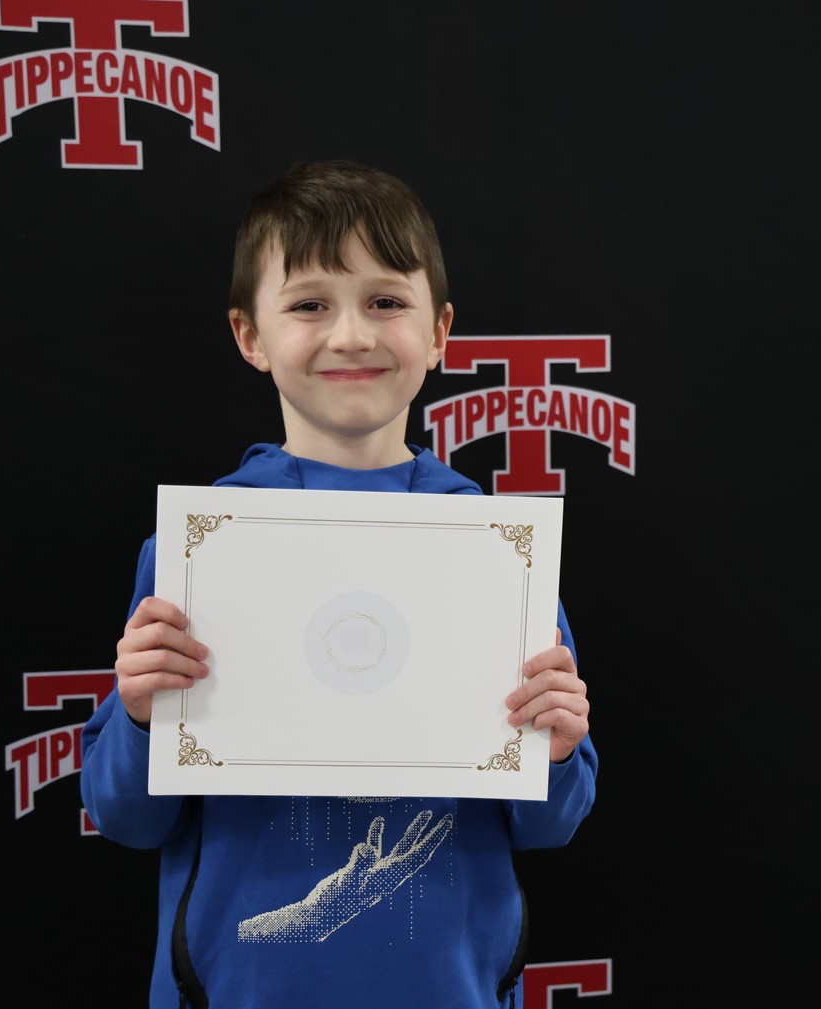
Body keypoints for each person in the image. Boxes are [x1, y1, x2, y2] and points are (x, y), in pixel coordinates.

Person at [80, 159, 597, 1009]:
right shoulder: (202, 545)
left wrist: (558, 744)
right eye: (310, 303)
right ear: (250, 335)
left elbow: (552, 823)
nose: (351, 334)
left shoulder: (496, 550)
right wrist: (138, 715)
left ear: (440, 333)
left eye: (386, 302)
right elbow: (128, 816)